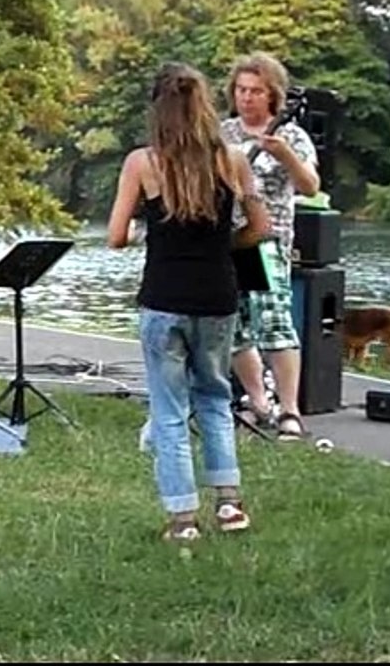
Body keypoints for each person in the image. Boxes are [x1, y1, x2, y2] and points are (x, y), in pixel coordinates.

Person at [108, 62, 271, 541]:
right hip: (218, 296)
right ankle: (230, 505)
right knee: (216, 399)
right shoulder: (233, 159)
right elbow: (260, 228)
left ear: (157, 109)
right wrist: (223, 243)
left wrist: (154, 234)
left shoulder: (143, 162)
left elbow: (116, 235)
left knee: (169, 409)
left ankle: (182, 519)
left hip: (163, 296)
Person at [222, 52, 321, 440]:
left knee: (274, 323)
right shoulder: (222, 133)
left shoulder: (290, 136)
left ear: (272, 95)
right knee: (234, 326)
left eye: (256, 91)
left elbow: (310, 186)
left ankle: (290, 409)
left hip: (264, 243)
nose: (247, 98)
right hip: (226, 241)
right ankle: (259, 402)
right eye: (241, 90)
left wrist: (285, 155)